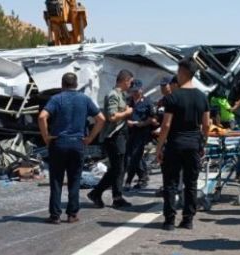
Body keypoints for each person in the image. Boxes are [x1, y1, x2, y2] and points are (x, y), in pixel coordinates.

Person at [38, 72, 106, 224]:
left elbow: (42, 117)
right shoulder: (84, 99)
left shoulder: (56, 99)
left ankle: (55, 215)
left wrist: (46, 137)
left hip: (59, 143)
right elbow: (101, 119)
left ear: (62, 84)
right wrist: (90, 138)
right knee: (74, 180)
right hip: (77, 143)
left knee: (56, 180)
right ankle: (72, 214)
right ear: (76, 84)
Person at [155, 59, 210, 231]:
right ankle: (188, 219)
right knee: (191, 183)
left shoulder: (172, 97)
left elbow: (166, 125)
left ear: (183, 73)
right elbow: (206, 125)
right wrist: (203, 143)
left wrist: (159, 147)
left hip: (175, 144)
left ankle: (169, 220)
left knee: (170, 183)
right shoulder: (202, 97)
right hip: (193, 144)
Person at [87, 69, 134, 209]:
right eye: (130, 82)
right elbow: (112, 116)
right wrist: (127, 112)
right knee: (117, 169)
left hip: (120, 136)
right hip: (114, 136)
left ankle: (116, 196)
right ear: (125, 80)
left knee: (119, 168)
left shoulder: (121, 95)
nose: (130, 85)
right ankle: (98, 193)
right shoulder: (113, 95)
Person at [125, 79, 156, 190]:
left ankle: (131, 180)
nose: (134, 93)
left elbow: (152, 118)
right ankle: (143, 176)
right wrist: (127, 121)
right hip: (130, 132)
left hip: (142, 132)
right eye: (133, 91)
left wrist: (142, 123)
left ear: (141, 90)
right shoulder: (128, 101)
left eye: (136, 91)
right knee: (131, 155)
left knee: (135, 155)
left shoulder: (147, 102)